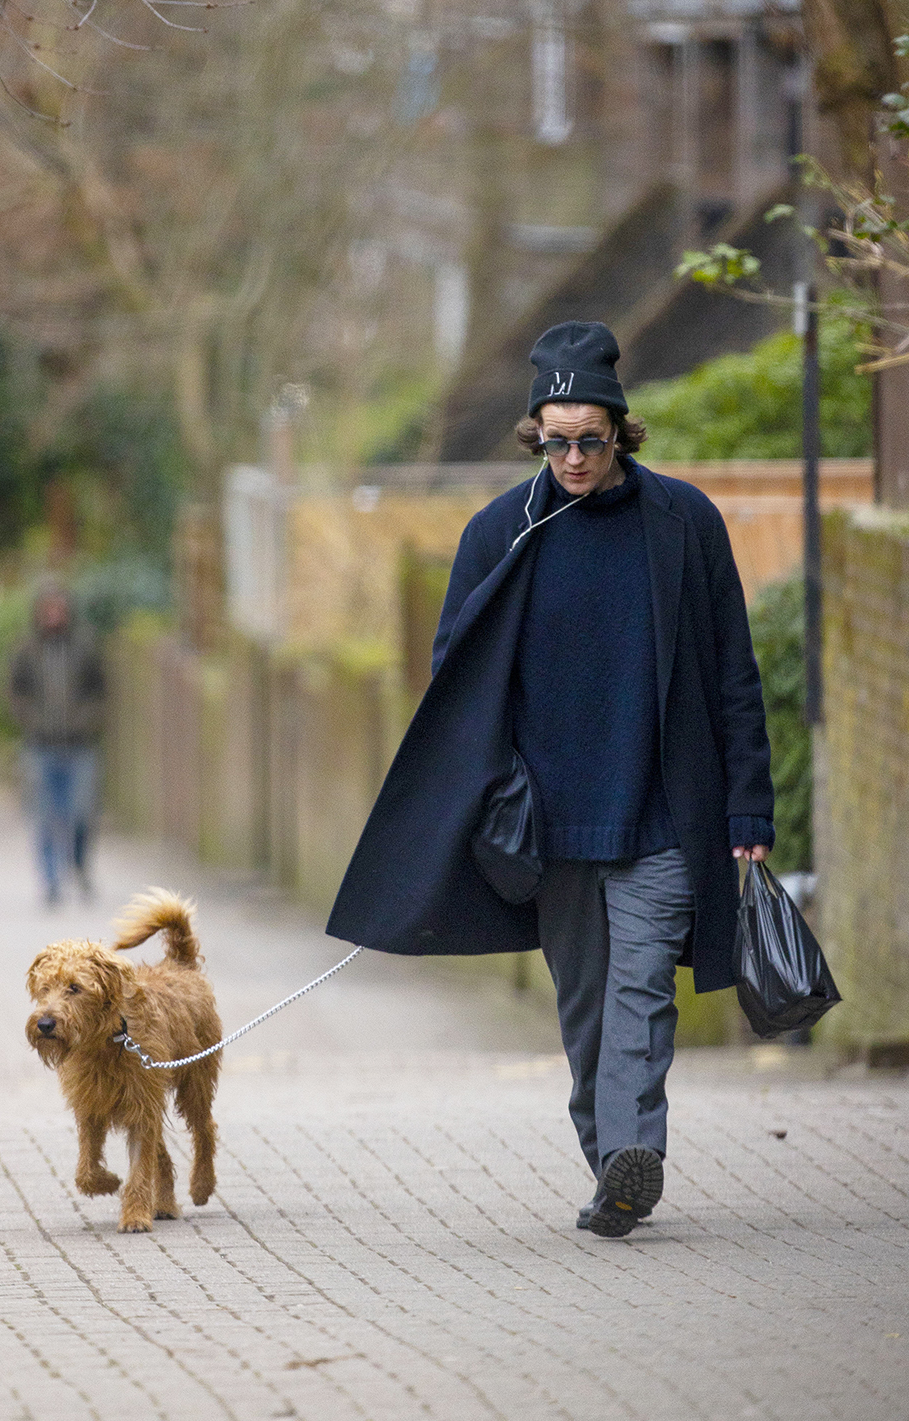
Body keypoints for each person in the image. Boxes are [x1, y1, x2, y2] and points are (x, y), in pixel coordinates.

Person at [326, 320, 774, 1238]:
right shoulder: (502, 532)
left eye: (591, 440)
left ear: (622, 430)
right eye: (556, 440)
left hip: (662, 815)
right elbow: (459, 685)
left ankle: (627, 1161)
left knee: (643, 995)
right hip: (554, 825)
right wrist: (487, 798)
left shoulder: (684, 525)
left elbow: (734, 671)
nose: (573, 458)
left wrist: (748, 803)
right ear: (535, 433)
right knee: (585, 1011)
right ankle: (609, 1155)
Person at [8, 584, 106, 904]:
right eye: (47, 608)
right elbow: (12, 691)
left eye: (59, 608)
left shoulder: (85, 647)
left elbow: (100, 691)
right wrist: (30, 719)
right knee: (45, 815)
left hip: (79, 745)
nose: (53, 615)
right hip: (40, 746)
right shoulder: (25, 650)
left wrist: (87, 719)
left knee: (81, 812)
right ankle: (51, 880)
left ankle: (78, 862)